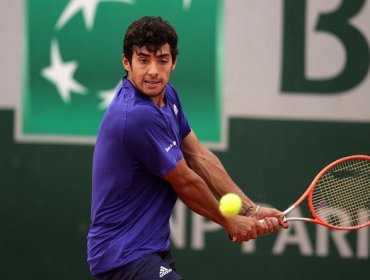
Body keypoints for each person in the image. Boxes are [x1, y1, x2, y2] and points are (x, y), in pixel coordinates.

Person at [87, 16, 288, 279]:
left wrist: (250, 209)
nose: (153, 71)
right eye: (143, 60)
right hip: (122, 255)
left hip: (149, 249)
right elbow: (186, 181)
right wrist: (229, 221)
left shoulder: (168, 95)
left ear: (173, 62)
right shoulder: (136, 115)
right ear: (127, 62)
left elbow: (198, 155)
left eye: (162, 60)